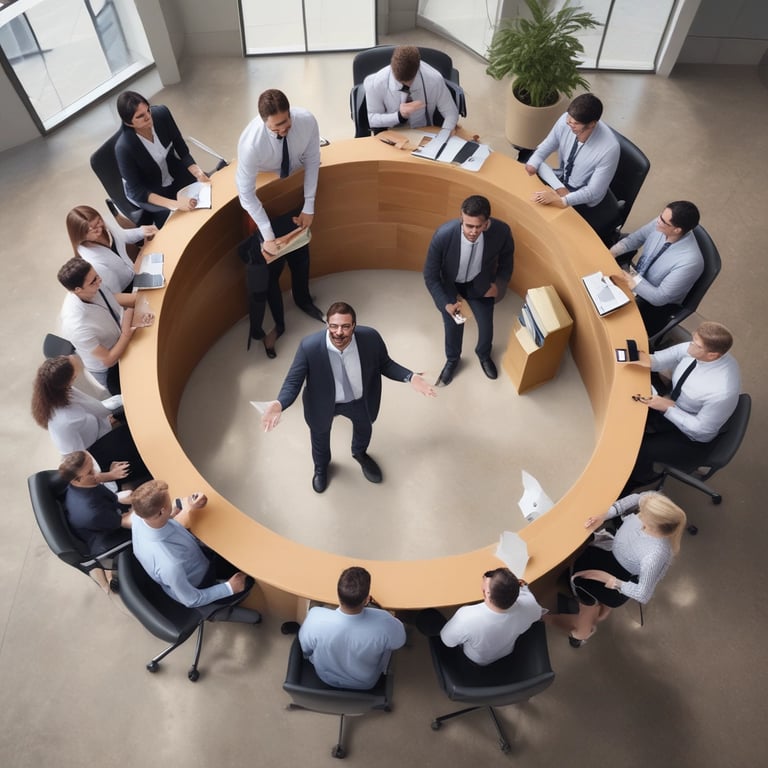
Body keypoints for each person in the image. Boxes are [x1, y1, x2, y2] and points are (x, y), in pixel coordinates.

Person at [261, 301, 436, 493]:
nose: (339, 332)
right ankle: (321, 467)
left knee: (364, 428)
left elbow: (385, 364)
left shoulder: (370, 338)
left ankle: (360, 453)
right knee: (319, 437)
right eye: (334, 326)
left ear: (354, 325)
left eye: (345, 326)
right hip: (323, 403)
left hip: (359, 400)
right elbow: (293, 382)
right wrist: (280, 403)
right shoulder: (309, 347)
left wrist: (410, 377)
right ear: (327, 325)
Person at [236, 88, 325, 355]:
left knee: (302, 256)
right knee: (271, 271)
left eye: (286, 121)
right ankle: (279, 321)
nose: (284, 128)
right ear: (264, 121)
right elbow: (245, 193)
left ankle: (304, 299)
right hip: (266, 203)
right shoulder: (251, 144)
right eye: (277, 126)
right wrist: (267, 234)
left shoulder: (306, 121)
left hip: (292, 192)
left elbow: (312, 160)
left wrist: (309, 206)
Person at [547, 492, 686, 646]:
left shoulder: (655, 554)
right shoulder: (655, 504)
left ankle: (565, 626)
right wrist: (605, 515)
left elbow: (643, 594)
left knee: (583, 618)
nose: (639, 512)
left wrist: (606, 579)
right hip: (609, 552)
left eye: (642, 513)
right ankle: (600, 610)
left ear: (651, 525)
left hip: (617, 578)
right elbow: (637, 498)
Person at [625, 321, 741, 490]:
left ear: (712, 355)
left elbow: (702, 430)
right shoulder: (697, 350)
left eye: (696, 345)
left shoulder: (721, 391)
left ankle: (635, 480)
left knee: (643, 450)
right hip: (674, 403)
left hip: (690, 435)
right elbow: (660, 359)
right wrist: (647, 360)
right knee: (631, 401)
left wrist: (668, 408)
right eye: (693, 340)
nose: (689, 346)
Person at [130, 479, 261, 622]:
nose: (172, 501)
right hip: (200, 584)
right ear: (161, 511)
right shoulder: (169, 564)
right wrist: (229, 588)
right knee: (249, 576)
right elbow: (191, 599)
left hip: (195, 560)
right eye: (169, 502)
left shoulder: (138, 517)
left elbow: (165, 523)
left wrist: (185, 508)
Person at [423, 195, 514, 385]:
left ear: (487, 223)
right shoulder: (443, 235)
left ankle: (483, 355)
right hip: (451, 286)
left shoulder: (502, 231)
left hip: (480, 285)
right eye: (467, 225)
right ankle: (452, 360)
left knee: (487, 326)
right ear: (461, 219)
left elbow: (507, 261)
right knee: (453, 326)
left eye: (478, 227)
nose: (472, 231)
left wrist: (498, 285)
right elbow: (430, 275)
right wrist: (445, 303)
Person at [31, 355, 149, 484]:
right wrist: (109, 475)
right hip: (95, 454)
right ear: (69, 380)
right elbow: (77, 466)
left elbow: (94, 407)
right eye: (75, 376)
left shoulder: (63, 391)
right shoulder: (62, 423)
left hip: (100, 426)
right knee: (144, 446)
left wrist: (121, 401)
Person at [525, 93, 620, 244]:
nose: (569, 124)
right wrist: (534, 162)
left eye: (574, 123)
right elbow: (548, 144)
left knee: (555, 235)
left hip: (584, 198)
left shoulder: (609, 149)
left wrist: (563, 200)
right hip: (562, 182)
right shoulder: (566, 120)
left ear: (592, 124)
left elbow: (593, 192)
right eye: (569, 119)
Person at [57, 256, 153, 394]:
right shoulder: (76, 326)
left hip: (120, 335)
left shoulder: (93, 286)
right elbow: (108, 359)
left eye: (97, 275)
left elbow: (111, 299)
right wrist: (127, 331)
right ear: (77, 289)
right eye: (93, 281)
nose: (99, 281)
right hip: (110, 368)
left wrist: (140, 303)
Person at [299, 566, 406, 689]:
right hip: (365, 683)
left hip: (325, 677)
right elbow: (399, 641)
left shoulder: (315, 617)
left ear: (338, 596)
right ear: (366, 600)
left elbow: (306, 649)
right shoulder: (385, 622)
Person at [115, 90, 209, 227]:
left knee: (205, 189)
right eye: (140, 116)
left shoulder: (161, 114)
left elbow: (181, 148)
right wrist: (175, 205)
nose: (148, 117)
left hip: (170, 171)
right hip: (150, 190)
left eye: (148, 110)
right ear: (128, 123)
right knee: (175, 220)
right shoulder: (123, 148)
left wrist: (197, 172)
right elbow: (139, 191)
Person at [610, 201, 704, 336]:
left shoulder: (690, 262)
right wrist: (611, 253)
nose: (658, 221)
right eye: (661, 216)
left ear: (677, 230)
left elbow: (659, 297)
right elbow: (635, 239)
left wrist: (632, 280)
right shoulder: (661, 222)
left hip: (652, 304)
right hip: (636, 278)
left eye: (663, 221)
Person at [438, 568, 544, 665]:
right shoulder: (531, 606)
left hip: (477, 660)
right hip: (506, 651)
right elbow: (526, 591)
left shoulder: (466, 617)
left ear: (488, 593)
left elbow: (447, 641)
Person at [363, 45, 459, 132]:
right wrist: (399, 116)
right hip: (391, 133)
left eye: (409, 83)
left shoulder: (434, 79)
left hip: (423, 131)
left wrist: (444, 134)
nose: (406, 87)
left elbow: (451, 113)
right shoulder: (375, 83)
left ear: (418, 68)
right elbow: (372, 119)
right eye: (400, 84)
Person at [67, 205, 158, 295]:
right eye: (94, 229)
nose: (100, 228)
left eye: (99, 221)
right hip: (127, 291)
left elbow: (121, 236)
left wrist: (141, 231)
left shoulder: (102, 227)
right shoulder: (93, 262)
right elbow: (115, 294)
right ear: (81, 235)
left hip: (135, 274)